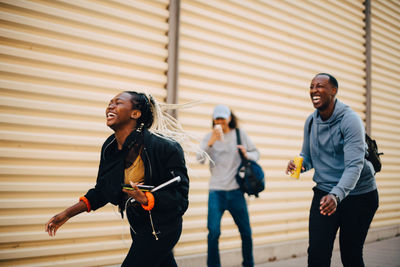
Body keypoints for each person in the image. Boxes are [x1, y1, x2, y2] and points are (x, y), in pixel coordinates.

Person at [45, 91, 191, 267]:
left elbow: (180, 198)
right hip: (138, 224)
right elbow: (102, 191)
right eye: (109, 103)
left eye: (118, 103)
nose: (110, 106)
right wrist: (67, 213)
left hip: (162, 227)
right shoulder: (110, 148)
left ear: (135, 114)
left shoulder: (165, 148)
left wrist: (148, 198)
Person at [286, 73, 379, 267]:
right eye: (311, 86)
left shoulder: (350, 120)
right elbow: (308, 156)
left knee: (351, 255)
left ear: (333, 91)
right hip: (325, 193)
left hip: (359, 195)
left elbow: (355, 165)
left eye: (320, 86)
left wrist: (336, 196)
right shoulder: (311, 122)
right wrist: (299, 165)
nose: (314, 90)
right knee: (317, 255)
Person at [197, 104, 259, 267]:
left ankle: (248, 264)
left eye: (223, 118)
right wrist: (210, 142)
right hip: (216, 191)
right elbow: (199, 159)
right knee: (213, 232)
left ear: (229, 119)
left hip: (236, 191)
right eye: (217, 118)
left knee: (246, 232)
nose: (220, 122)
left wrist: (246, 154)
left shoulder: (240, 134)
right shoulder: (209, 137)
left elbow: (256, 154)